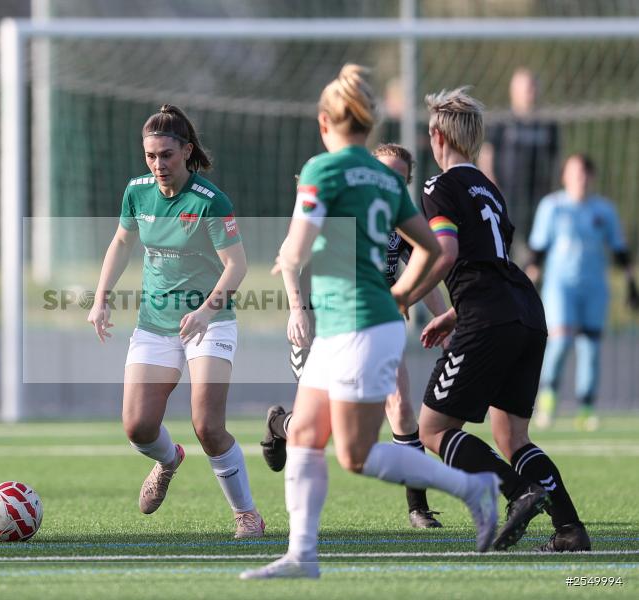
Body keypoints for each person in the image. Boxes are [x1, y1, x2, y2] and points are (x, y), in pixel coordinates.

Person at [240, 66, 500, 580]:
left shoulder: (321, 169)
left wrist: (292, 256)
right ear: (365, 126)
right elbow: (427, 247)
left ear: (324, 122)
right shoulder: (384, 176)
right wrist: (400, 294)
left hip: (358, 327)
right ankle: (302, 555)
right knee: (307, 435)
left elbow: (298, 241)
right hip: (360, 322)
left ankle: (475, 488)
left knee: (355, 454)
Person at [413, 87, 590, 552]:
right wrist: (453, 313)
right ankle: (570, 530)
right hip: (526, 311)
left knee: (432, 428)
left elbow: (448, 252)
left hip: (489, 317)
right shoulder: (490, 190)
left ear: (436, 136)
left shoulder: (439, 186)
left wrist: (402, 295)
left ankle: (518, 493)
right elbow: (490, 261)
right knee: (512, 435)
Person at [86, 104, 265, 539]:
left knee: (207, 425)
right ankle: (168, 461)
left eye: (166, 154)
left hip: (211, 320)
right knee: (138, 426)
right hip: (155, 322)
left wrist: (206, 310)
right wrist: (101, 297)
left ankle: (247, 515)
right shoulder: (137, 192)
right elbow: (121, 242)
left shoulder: (211, 201)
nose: (158, 164)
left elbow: (237, 266)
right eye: (150, 155)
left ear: (186, 151)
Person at [260, 143, 452, 530]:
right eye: (383, 173)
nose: (388, 182)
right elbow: (289, 256)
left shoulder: (398, 220)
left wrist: (445, 319)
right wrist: (297, 310)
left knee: (399, 406)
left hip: (378, 317)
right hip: (323, 318)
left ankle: (418, 507)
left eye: (398, 178)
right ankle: (279, 424)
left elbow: (424, 270)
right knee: (318, 425)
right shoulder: (337, 205)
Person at [526, 154, 639, 431]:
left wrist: (631, 284)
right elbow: (537, 253)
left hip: (594, 288)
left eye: (586, 172)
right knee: (561, 341)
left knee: (590, 347)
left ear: (592, 177)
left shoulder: (604, 211)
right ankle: (548, 398)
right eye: (575, 172)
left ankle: (586, 408)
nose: (581, 178)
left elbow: (620, 251)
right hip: (560, 286)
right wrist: (526, 289)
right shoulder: (552, 207)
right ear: (565, 176)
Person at [478, 67, 560, 249]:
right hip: (507, 195)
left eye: (532, 87)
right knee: (506, 244)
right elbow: (487, 155)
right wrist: (491, 188)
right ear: (513, 91)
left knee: (537, 246)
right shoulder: (502, 121)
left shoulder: (547, 124)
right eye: (525, 89)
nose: (529, 93)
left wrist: (554, 190)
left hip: (539, 196)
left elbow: (556, 160)